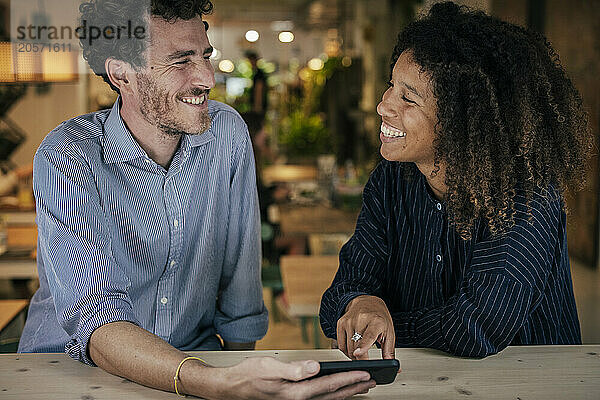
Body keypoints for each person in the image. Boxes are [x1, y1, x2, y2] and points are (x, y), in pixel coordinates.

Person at [18, 1, 376, 398]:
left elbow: (241, 295)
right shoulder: (68, 156)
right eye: (180, 61)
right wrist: (217, 383)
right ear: (121, 72)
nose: (207, 77)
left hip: (200, 367)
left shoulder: (227, 134)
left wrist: (245, 381)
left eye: (205, 55)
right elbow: (97, 320)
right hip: (71, 374)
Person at [320, 1, 592, 361]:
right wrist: (363, 302)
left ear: (461, 123)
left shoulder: (526, 196)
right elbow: (339, 298)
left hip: (530, 383)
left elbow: (475, 328)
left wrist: (387, 323)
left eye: (408, 99)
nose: (383, 105)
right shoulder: (392, 178)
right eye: (391, 86)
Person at [246, 50, 268, 115]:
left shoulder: (259, 74)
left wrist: (257, 106)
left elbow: (259, 90)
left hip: (258, 107)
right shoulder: (257, 73)